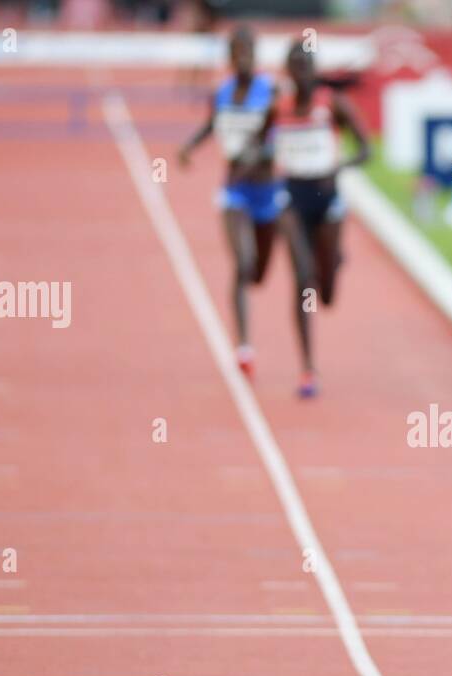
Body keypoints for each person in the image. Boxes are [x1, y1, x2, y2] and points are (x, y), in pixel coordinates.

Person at [179, 24, 283, 377]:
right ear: (229, 57)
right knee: (243, 263)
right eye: (237, 53)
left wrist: (258, 155)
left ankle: (245, 331)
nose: (243, 59)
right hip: (234, 192)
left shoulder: (271, 92)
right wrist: (190, 146)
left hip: (268, 193)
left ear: (256, 55)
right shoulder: (222, 93)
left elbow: (276, 137)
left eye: (249, 52)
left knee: (258, 273)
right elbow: (212, 125)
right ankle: (244, 346)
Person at [271, 38, 371, 398]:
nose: (301, 72)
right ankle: (308, 368)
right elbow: (256, 141)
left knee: (325, 295)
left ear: (314, 70)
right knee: (301, 277)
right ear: (289, 71)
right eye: (295, 66)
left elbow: (366, 148)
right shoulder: (278, 106)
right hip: (292, 199)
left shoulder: (332, 104)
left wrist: (340, 164)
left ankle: (334, 261)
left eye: (306, 65)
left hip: (326, 199)